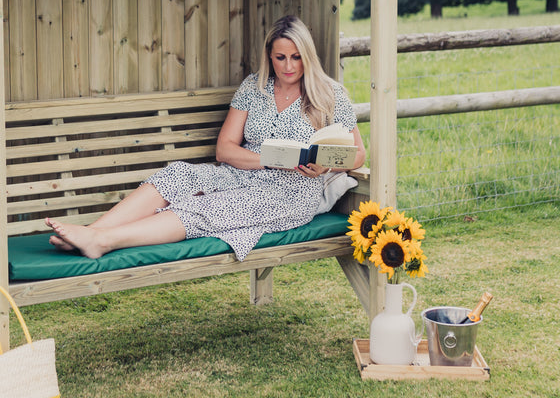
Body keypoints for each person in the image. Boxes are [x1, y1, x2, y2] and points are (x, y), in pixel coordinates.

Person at [46, 14, 366, 262]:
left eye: (296, 58)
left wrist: (323, 167)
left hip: (290, 190)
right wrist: (268, 159)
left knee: (215, 206)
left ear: (307, 56)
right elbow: (225, 149)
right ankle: (90, 232)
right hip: (240, 171)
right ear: (269, 55)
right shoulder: (254, 88)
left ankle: (103, 242)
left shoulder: (328, 93)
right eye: (280, 57)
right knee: (179, 174)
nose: (288, 66)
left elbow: (358, 155)